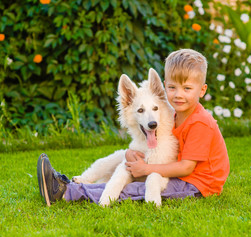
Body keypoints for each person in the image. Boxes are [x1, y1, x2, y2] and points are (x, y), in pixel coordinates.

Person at [37, 49, 230, 206]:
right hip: (176, 172)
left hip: (197, 184)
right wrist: (132, 155)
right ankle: (81, 182)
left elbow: (186, 167)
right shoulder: (173, 114)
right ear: (165, 88)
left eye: (187, 88)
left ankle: (65, 192)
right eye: (172, 88)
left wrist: (146, 169)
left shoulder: (200, 122)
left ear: (202, 90)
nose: (179, 95)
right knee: (122, 160)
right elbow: (148, 149)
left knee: (134, 189)